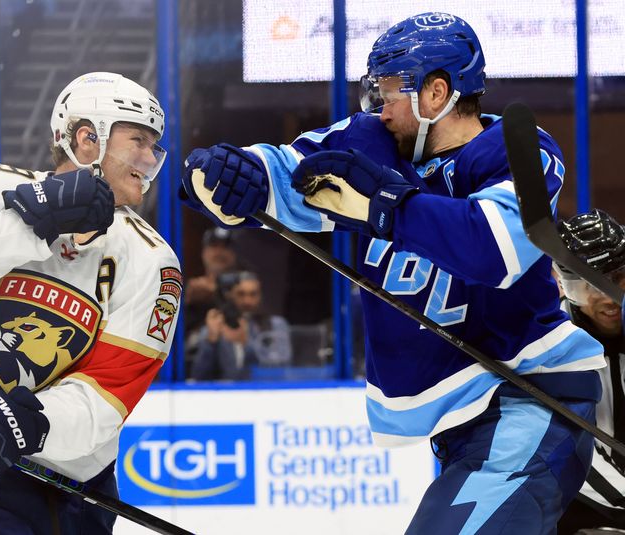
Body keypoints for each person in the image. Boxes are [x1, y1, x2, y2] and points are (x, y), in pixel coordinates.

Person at [180, 12, 606, 534]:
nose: (379, 110)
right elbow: (286, 176)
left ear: (437, 93)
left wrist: (385, 207)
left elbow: (494, 249)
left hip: (530, 405)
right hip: (462, 426)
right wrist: (225, 174)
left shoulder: (518, 150)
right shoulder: (373, 143)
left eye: (390, 93)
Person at [0, 72, 180, 535]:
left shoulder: (154, 261)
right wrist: (32, 225)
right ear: (86, 138)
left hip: (76, 483)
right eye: (138, 140)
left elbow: (108, 394)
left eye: (155, 146)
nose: (150, 157)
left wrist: (28, 421)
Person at [554, 210, 625, 534]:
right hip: (583, 510)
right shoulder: (553, 349)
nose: (607, 297)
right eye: (589, 286)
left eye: (617, 277)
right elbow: (569, 457)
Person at [191, 270, 291, 381]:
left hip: (264, 393)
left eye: (253, 294)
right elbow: (198, 377)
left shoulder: (276, 325)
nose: (247, 301)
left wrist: (246, 344)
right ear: (230, 296)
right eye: (241, 294)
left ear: (260, 295)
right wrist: (210, 342)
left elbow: (281, 368)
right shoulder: (217, 326)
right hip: (227, 395)